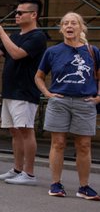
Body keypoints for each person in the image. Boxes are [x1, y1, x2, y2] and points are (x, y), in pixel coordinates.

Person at [34, 12, 100, 200]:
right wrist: (47, 94)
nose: (70, 26)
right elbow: (38, 76)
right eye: (66, 23)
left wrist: (98, 97)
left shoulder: (92, 51)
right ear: (62, 28)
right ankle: (56, 184)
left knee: (84, 145)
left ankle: (84, 186)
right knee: (58, 143)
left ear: (81, 28)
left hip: (85, 102)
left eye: (74, 23)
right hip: (59, 102)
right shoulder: (52, 52)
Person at [0, 0, 48, 186]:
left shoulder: (38, 36)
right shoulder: (14, 35)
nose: (17, 15)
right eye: (16, 12)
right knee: (14, 131)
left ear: (34, 14)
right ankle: (17, 168)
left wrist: (2, 33)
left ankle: (29, 173)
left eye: (21, 12)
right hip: (10, 89)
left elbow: (17, 54)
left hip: (25, 90)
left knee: (26, 130)